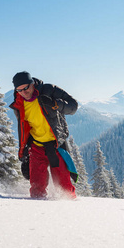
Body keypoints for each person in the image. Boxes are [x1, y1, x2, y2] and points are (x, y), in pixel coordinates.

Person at [10, 71, 78, 199]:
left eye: (26, 88)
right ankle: (38, 215)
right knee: (37, 188)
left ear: (32, 84)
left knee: (65, 187)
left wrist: (57, 104)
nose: (24, 92)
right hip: (36, 147)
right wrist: (23, 152)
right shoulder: (19, 103)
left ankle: (71, 212)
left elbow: (73, 106)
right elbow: (23, 128)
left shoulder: (49, 90)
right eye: (19, 90)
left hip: (56, 146)